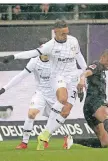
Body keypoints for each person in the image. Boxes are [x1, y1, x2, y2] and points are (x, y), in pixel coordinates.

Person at [2, 20, 87, 151]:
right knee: (59, 101)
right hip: (58, 79)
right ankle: (25, 142)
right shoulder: (48, 47)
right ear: (56, 32)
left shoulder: (73, 41)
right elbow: (31, 54)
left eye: (67, 33)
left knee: (65, 111)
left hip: (73, 78)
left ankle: (45, 135)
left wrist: (84, 75)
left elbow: (79, 56)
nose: (66, 36)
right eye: (63, 34)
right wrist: (14, 56)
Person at [63, 49, 108, 150]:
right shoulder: (97, 65)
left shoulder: (102, 72)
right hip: (94, 103)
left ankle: (72, 140)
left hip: (89, 108)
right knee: (106, 116)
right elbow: (85, 73)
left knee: (104, 143)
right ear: (102, 58)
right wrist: (82, 80)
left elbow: (101, 96)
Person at [0, 38, 55, 149]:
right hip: (40, 93)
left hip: (55, 95)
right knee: (31, 114)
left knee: (55, 119)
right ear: (40, 49)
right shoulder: (34, 61)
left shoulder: (56, 61)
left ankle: (47, 139)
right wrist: (4, 88)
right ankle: (24, 143)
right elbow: (20, 76)